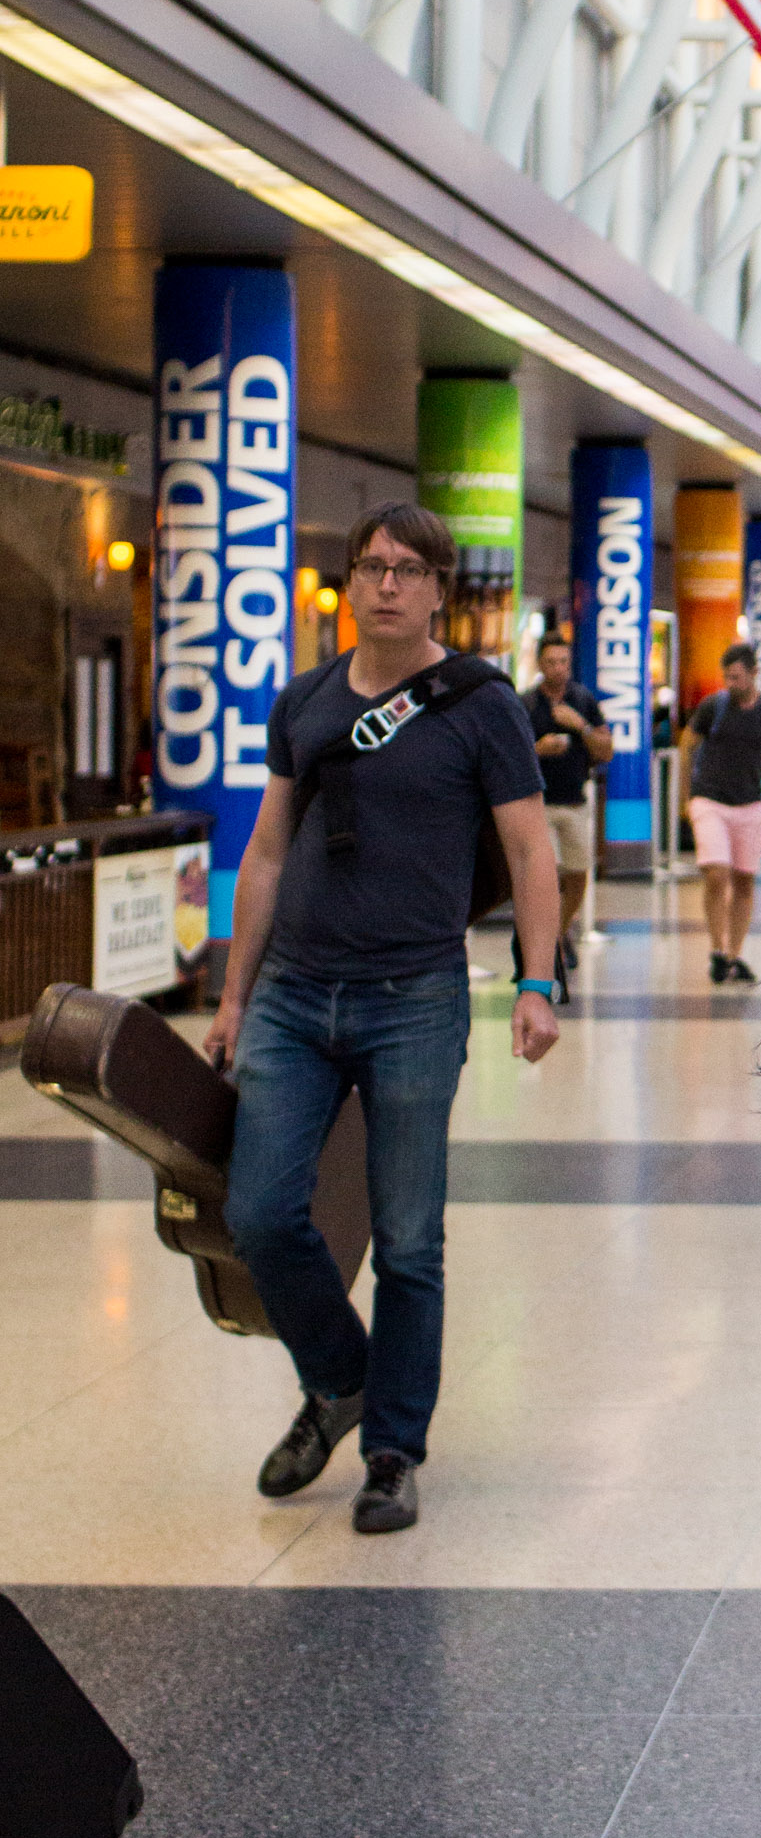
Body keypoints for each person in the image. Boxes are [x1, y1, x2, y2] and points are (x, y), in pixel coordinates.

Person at [206, 507, 560, 1534]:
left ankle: (392, 1448)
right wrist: (233, 995)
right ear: (351, 582)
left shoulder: (480, 707)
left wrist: (537, 982)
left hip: (414, 997)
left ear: (440, 589)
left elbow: (532, 852)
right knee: (262, 1214)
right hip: (292, 996)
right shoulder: (304, 701)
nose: (388, 585)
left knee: (409, 1240)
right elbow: (266, 854)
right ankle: (341, 1377)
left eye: (408, 570)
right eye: (371, 567)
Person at [522, 629, 607, 1004]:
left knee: (578, 874)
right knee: (547, 875)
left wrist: (580, 726)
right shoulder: (525, 704)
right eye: (551, 662)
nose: (558, 668)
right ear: (540, 664)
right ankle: (549, 945)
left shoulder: (583, 700)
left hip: (574, 801)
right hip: (538, 803)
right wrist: (537, 749)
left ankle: (560, 930)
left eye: (563, 662)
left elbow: (606, 750)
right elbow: (508, 755)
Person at [683, 639, 761, 983]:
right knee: (717, 874)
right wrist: (686, 796)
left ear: (754, 673)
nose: (730, 684)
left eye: (736, 677)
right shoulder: (713, 707)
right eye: (727, 677)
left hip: (749, 802)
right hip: (709, 800)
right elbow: (687, 744)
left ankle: (734, 955)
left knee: (744, 880)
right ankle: (717, 949)